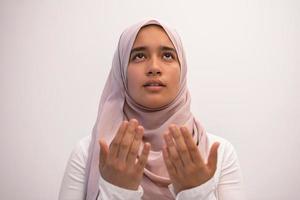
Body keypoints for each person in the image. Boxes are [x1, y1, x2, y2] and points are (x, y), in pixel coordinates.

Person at [58, 19, 245, 200]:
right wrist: (116, 192)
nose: (154, 68)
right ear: (121, 71)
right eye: (139, 56)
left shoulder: (218, 153)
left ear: (182, 69)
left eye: (167, 55)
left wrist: (196, 194)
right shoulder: (90, 153)